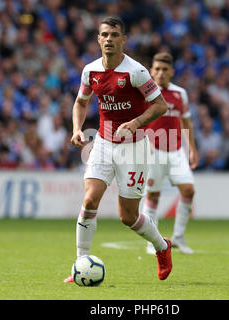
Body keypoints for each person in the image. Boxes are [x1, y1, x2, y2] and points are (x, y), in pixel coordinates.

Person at [63, 16, 172, 283]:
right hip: (102, 143)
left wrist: (134, 123)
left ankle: (162, 247)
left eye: (114, 35)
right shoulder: (90, 71)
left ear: (123, 40)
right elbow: (80, 102)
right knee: (90, 200)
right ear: (98, 39)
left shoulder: (136, 71)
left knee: (128, 216)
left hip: (133, 149)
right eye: (104, 35)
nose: (109, 39)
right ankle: (79, 262)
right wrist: (77, 128)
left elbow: (160, 106)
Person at [141, 52, 198, 255]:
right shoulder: (145, 94)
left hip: (176, 152)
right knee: (153, 195)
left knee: (189, 191)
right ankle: (152, 241)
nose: (161, 73)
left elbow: (186, 121)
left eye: (165, 69)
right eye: (157, 69)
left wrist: (192, 148)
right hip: (153, 151)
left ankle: (179, 238)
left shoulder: (180, 93)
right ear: (151, 71)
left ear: (171, 72)